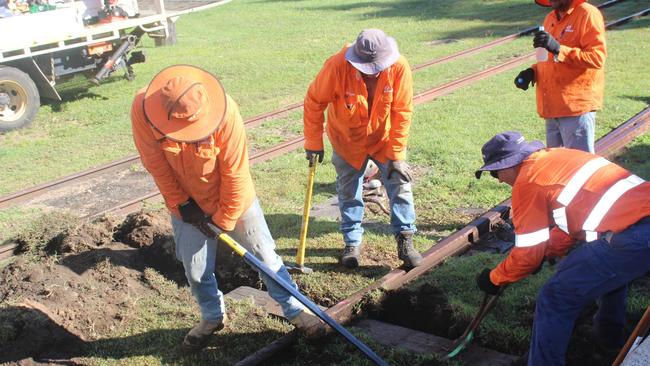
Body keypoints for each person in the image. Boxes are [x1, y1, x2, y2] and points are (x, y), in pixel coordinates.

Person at [131, 65, 320, 351]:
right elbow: (155, 163)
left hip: (234, 199)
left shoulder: (225, 112)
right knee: (195, 270)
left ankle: (296, 310)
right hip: (186, 205)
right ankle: (212, 316)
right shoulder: (143, 109)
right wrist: (183, 205)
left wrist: (223, 219)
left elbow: (235, 174)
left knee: (265, 258)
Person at [474, 131, 650, 365]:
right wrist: (548, 250)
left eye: (495, 172)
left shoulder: (528, 180)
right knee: (610, 275)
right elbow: (572, 221)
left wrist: (495, 278)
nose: (497, 179)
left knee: (555, 296)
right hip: (636, 227)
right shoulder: (558, 158)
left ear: (509, 164)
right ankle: (609, 342)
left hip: (634, 236)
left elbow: (527, 255)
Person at [303, 29, 423, 269]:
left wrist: (398, 155)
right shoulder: (336, 66)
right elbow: (314, 101)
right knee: (348, 192)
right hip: (347, 141)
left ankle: (405, 240)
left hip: (385, 140)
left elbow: (402, 111)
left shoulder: (399, 66)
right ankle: (352, 243)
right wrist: (313, 142)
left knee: (400, 184)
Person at [514, 0, 606, 153]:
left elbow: (597, 58)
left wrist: (558, 48)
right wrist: (532, 72)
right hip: (552, 108)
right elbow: (549, 61)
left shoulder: (587, 14)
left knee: (578, 167)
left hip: (575, 109)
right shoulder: (550, 18)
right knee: (557, 168)